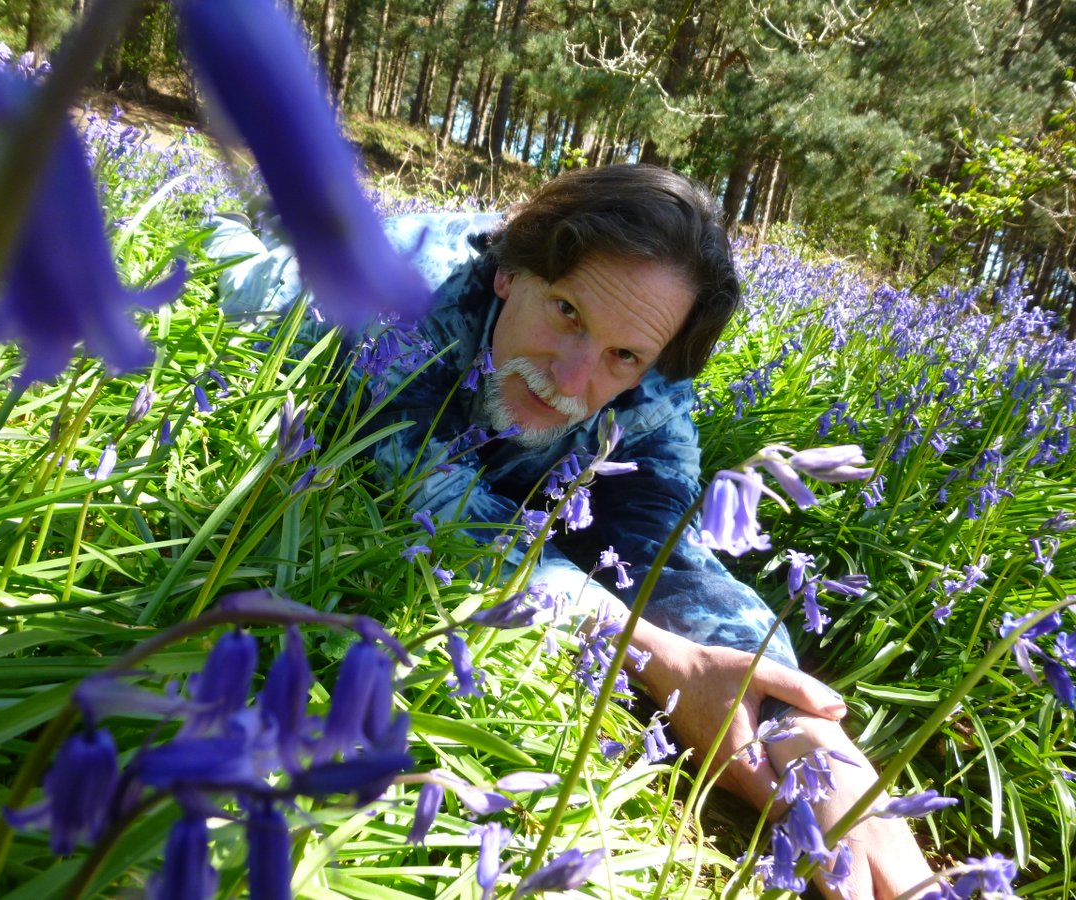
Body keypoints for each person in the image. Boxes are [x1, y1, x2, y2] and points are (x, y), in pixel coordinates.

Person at [208, 164, 934, 899]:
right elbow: (436, 499)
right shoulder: (410, 305)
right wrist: (654, 655)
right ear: (509, 274)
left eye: (624, 354)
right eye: (566, 312)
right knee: (238, 260)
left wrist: (797, 724)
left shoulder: (649, 405)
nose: (573, 374)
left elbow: (670, 562)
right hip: (307, 296)